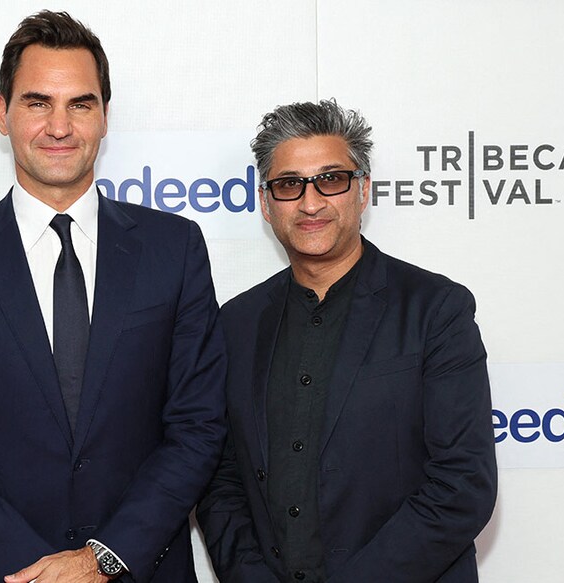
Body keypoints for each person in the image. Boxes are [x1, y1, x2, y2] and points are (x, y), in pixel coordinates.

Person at [0, 10, 226, 583]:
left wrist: (103, 560)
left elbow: (197, 427)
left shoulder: (175, 248)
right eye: (37, 102)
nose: (59, 126)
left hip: (140, 568)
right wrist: (38, 571)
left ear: (104, 118)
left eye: (81, 104)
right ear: (3, 113)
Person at [197, 99, 497, 583]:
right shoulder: (236, 323)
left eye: (331, 180)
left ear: (363, 192)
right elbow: (221, 478)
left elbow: (463, 485)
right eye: (289, 184)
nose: (311, 203)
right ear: (266, 203)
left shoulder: (435, 309)